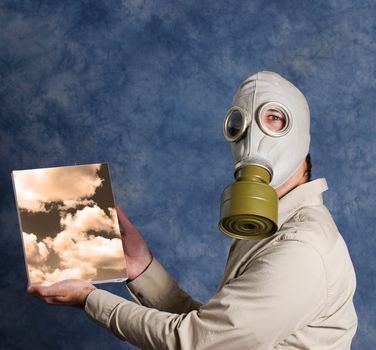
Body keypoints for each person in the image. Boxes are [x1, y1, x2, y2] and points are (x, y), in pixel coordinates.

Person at [28, 71, 358, 349]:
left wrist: (90, 299)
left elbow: (198, 342)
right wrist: (143, 270)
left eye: (273, 119)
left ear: (299, 135)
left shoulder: (302, 249)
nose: (253, 137)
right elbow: (221, 333)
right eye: (240, 124)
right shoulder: (272, 227)